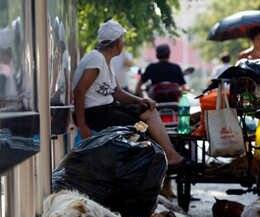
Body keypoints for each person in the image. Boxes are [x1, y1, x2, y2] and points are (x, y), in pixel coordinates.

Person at [72, 20, 184, 167]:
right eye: (122, 40)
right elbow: (79, 90)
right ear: (117, 42)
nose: (123, 44)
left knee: (148, 111)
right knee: (143, 128)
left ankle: (168, 156)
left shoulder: (105, 60)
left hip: (107, 110)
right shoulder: (96, 59)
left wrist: (140, 100)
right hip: (96, 114)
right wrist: (82, 125)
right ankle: (166, 157)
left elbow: (117, 92)